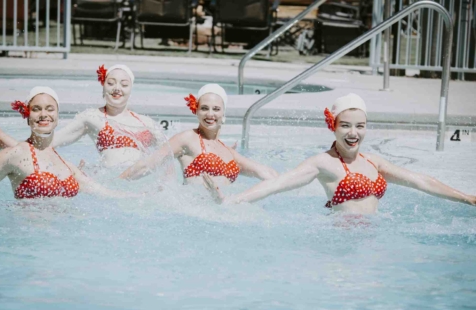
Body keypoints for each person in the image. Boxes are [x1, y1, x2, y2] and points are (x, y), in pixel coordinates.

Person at [204, 93, 476, 214]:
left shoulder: (374, 162)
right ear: (332, 126)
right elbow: (278, 184)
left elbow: (421, 181)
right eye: (345, 125)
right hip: (342, 239)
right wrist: (232, 200)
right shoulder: (323, 162)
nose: (353, 133)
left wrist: (466, 198)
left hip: (374, 235)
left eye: (360, 126)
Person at [0, 86, 133, 199]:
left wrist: (144, 195)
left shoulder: (65, 164)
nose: (44, 114)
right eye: (37, 109)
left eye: (50, 109)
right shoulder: (16, 154)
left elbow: (106, 193)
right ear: (27, 116)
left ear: (57, 116)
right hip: (30, 237)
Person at [120, 84, 278, 186]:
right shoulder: (187, 139)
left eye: (216, 109)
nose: (210, 114)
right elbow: (147, 164)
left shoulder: (229, 153)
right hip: (191, 216)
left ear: (223, 113)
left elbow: (264, 172)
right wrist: (115, 185)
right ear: (196, 111)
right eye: (204, 108)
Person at [52, 64, 163, 167]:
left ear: (130, 89)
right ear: (103, 87)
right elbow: (53, 142)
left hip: (142, 184)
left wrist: (164, 183)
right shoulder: (92, 117)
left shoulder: (146, 122)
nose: (117, 88)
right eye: (110, 83)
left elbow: (170, 153)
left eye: (124, 84)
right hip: (113, 181)